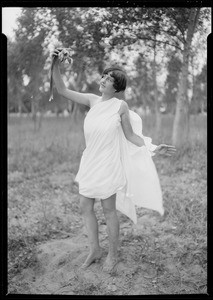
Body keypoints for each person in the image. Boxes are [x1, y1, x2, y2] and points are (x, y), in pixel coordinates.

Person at [51, 48, 176, 273]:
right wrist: (55, 64)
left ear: (117, 88)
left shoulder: (120, 106)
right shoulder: (91, 100)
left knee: (108, 210)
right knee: (84, 206)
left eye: (110, 79)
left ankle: (113, 254)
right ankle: (95, 249)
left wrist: (154, 147)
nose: (104, 80)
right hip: (89, 161)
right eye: (104, 76)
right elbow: (61, 89)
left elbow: (130, 136)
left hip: (108, 164)